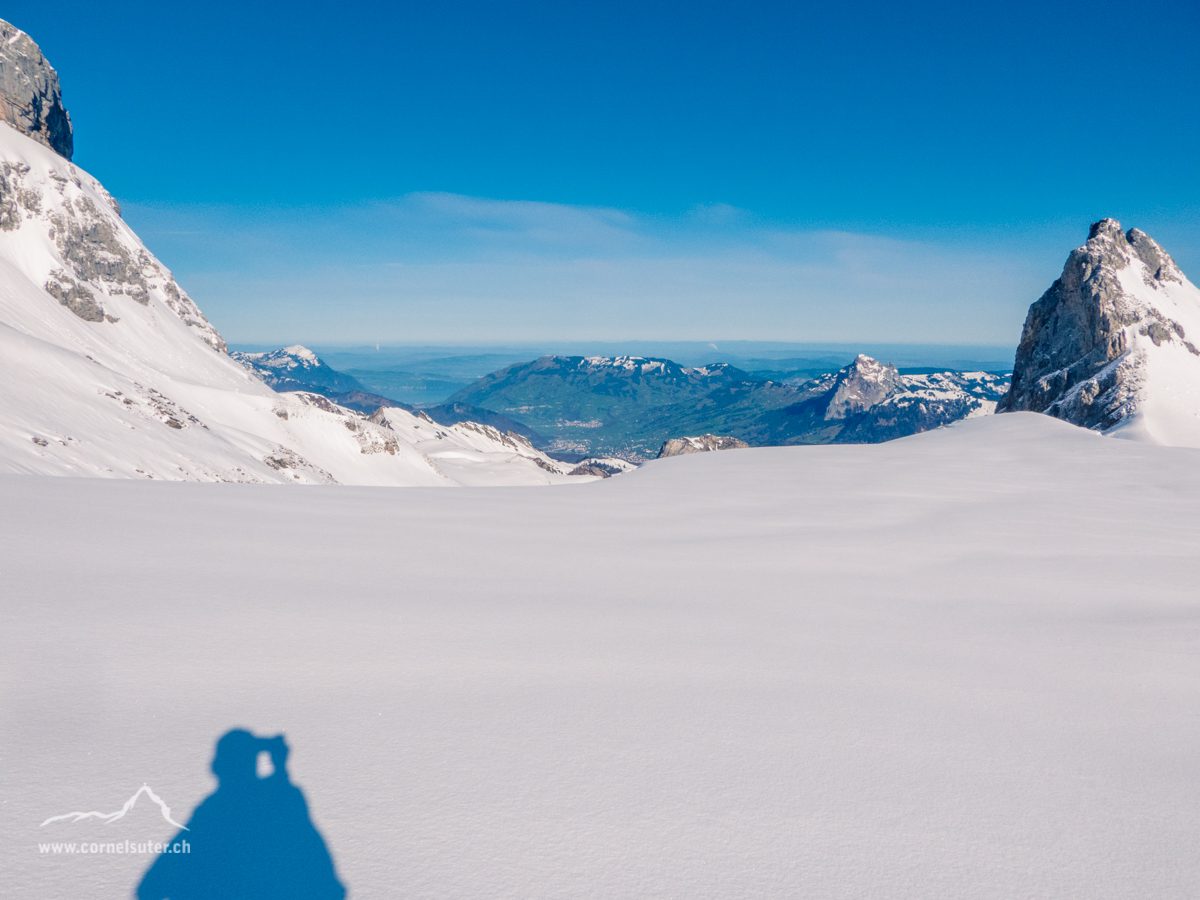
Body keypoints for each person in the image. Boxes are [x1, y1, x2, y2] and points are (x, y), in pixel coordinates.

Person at [137, 729, 345, 900]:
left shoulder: (212, 814)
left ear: (218, 768)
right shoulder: (282, 808)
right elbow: (325, 881)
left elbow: (152, 885)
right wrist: (280, 770)